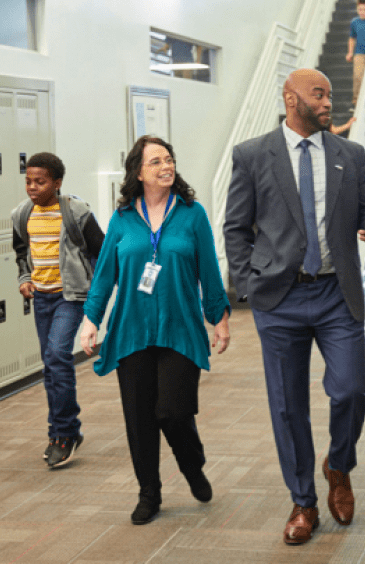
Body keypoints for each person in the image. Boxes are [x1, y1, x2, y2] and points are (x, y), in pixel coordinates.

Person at [224, 68, 365, 545]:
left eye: (330, 94)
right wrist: (249, 285)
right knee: (287, 406)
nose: (327, 102)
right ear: (290, 96)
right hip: (278, 298)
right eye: (318, 94)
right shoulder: (253, 155)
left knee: (350, 391)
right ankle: (303, 501)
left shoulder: (349, 154)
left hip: (335, 293)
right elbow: (235, 227)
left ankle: (338, 465)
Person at [80, 135, 231, 525]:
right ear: (139, 172)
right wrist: (90, 319)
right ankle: (149, 492)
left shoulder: (192, 214)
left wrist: (220, 317)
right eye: (156, 161)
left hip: (180, 329)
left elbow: (209, 271)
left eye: (170, 159)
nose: (167, 166)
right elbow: (105, 277)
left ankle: (192, 464)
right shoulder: (122, 219)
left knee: (173, 412)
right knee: (139, 418)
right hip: (131, 331)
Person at [12, 152, 104, 468]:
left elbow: (101, 251)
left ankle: (63, 433)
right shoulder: (22, 214)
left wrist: (94, 292)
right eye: (28, 181)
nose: (33, 187)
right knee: (50, 366)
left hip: (71, 296)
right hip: (43, 299)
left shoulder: (75, 212)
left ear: (57, 182)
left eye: (40, 181)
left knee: (57, 356)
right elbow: (21, 253)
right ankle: (63, 432)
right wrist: (25, 279)